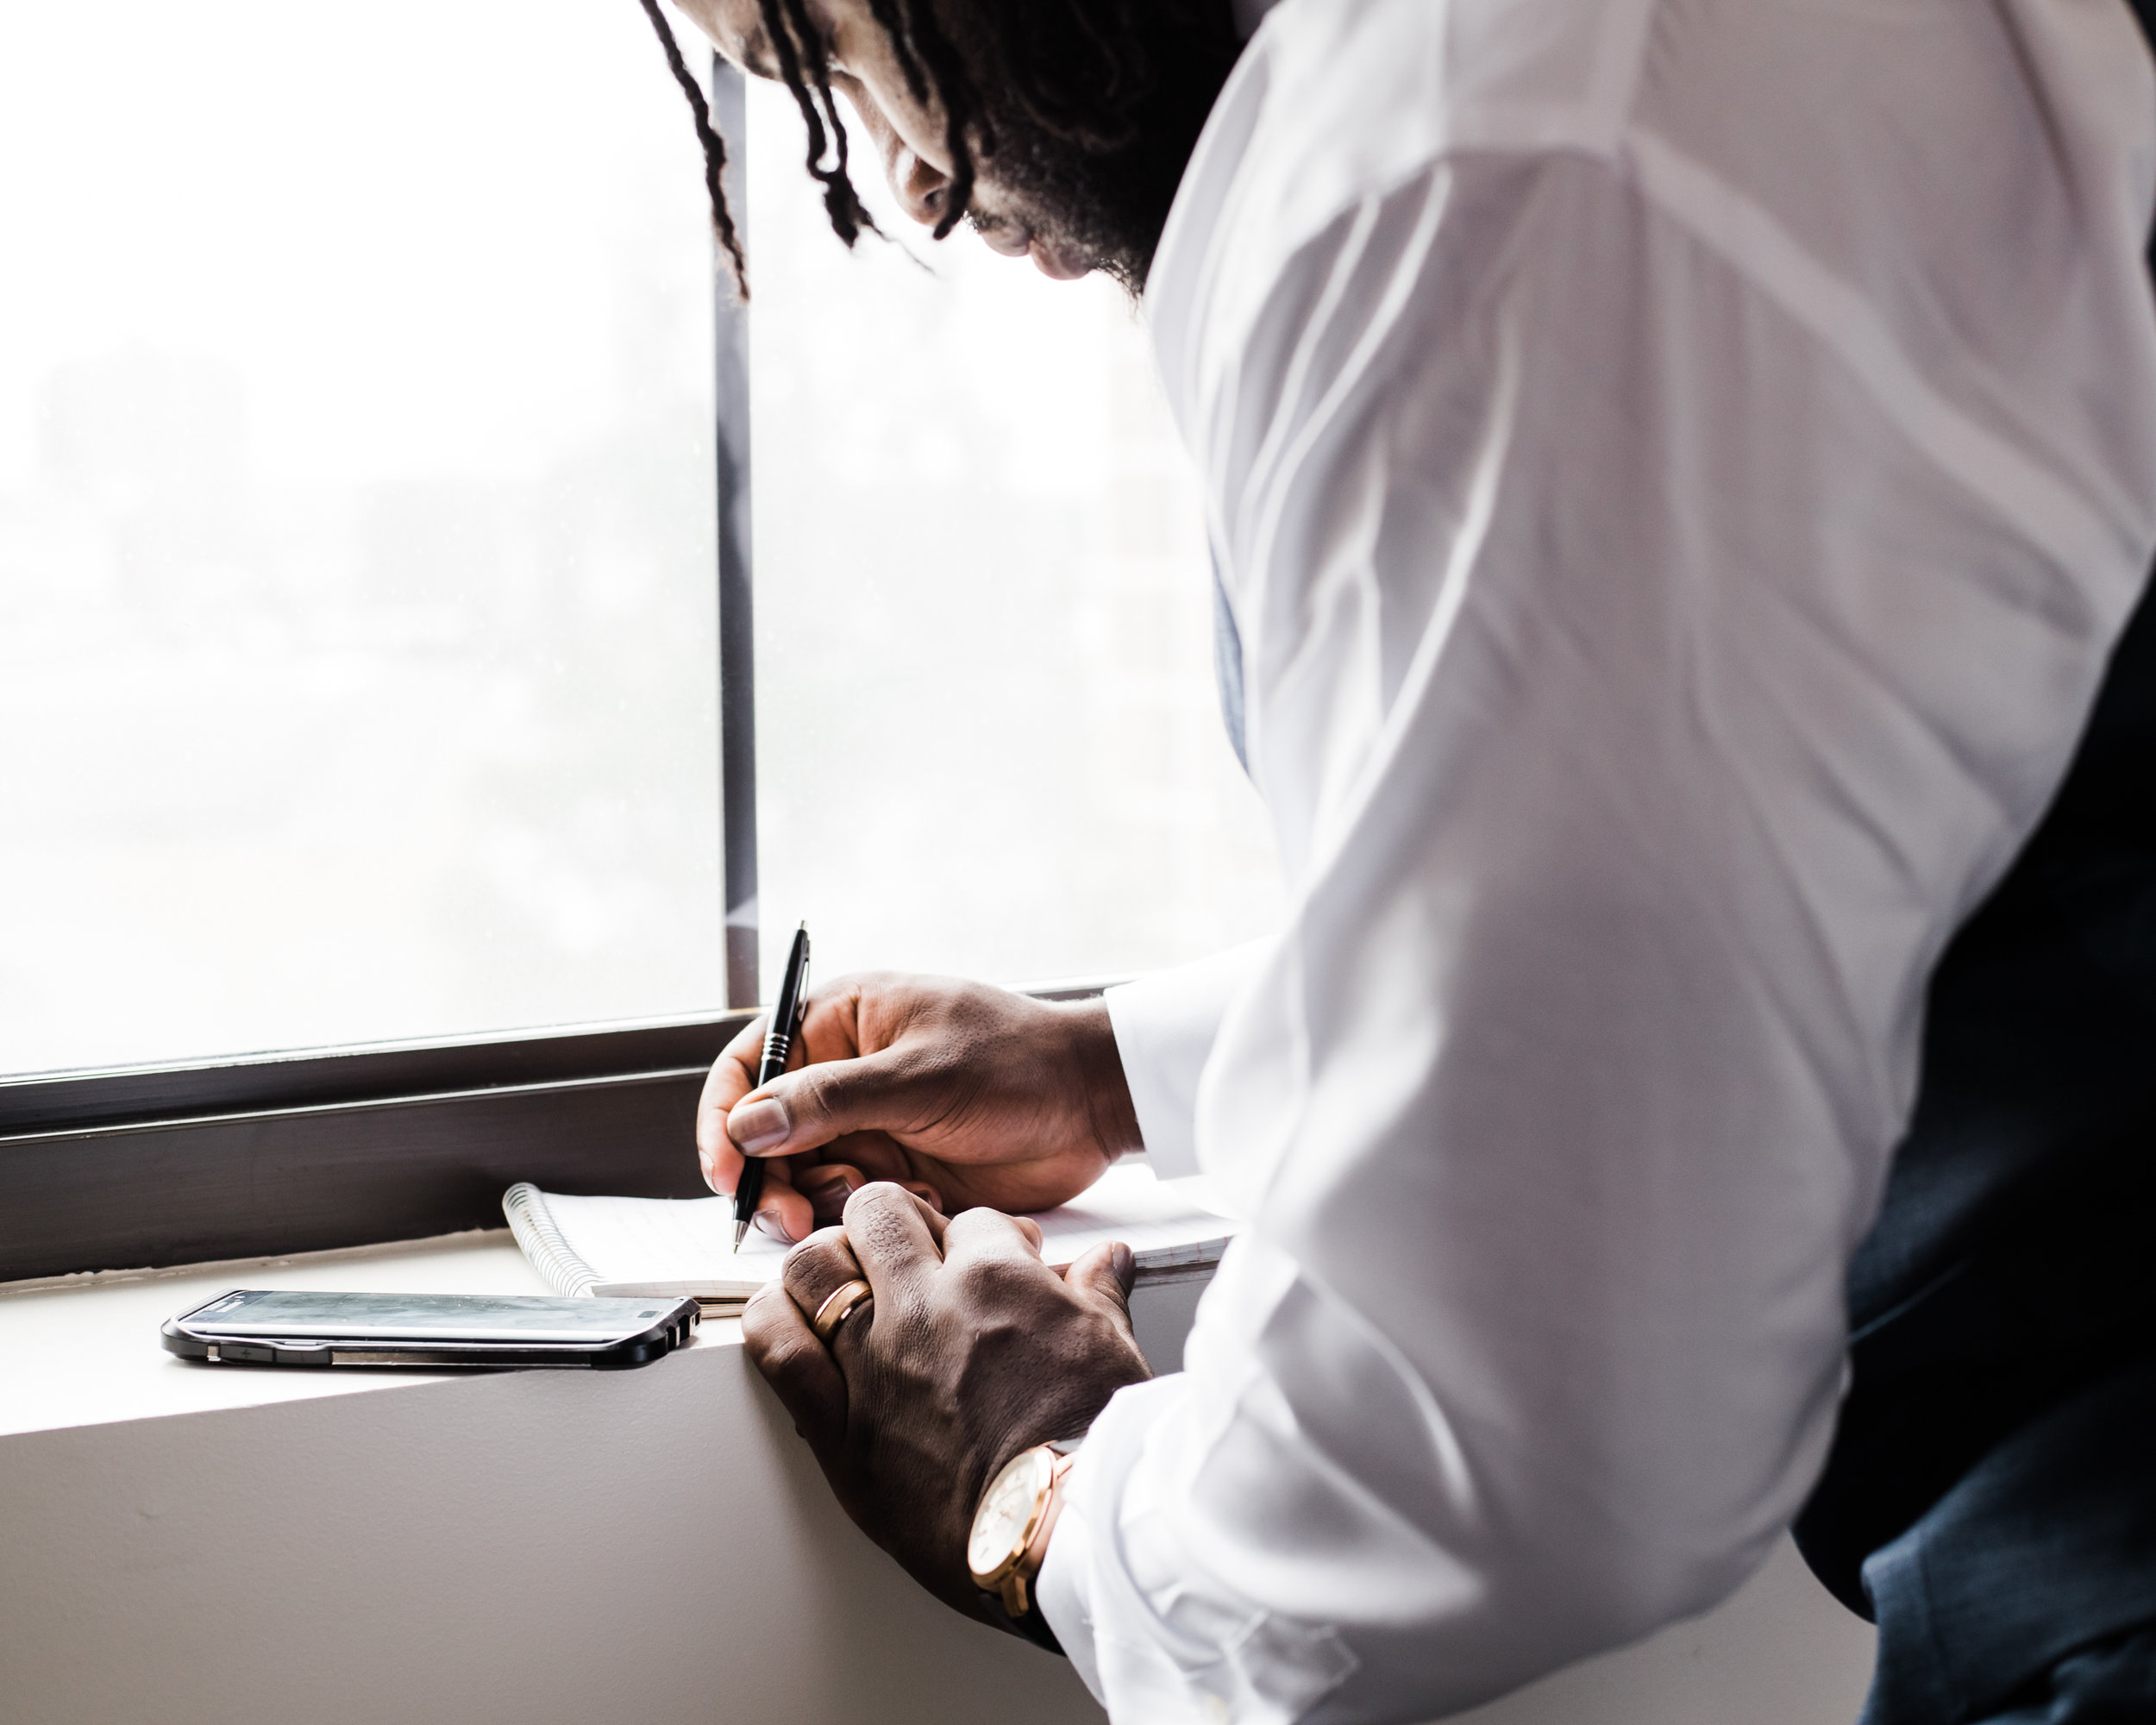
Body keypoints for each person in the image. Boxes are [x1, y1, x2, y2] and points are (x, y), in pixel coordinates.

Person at [654, 0, 2156, 1719]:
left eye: (830, 57)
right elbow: (1795, 811)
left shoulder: (1480, 156)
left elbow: (1528, 1431)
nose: (914, 182)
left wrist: (1047, 1486)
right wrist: (1113, 1069)